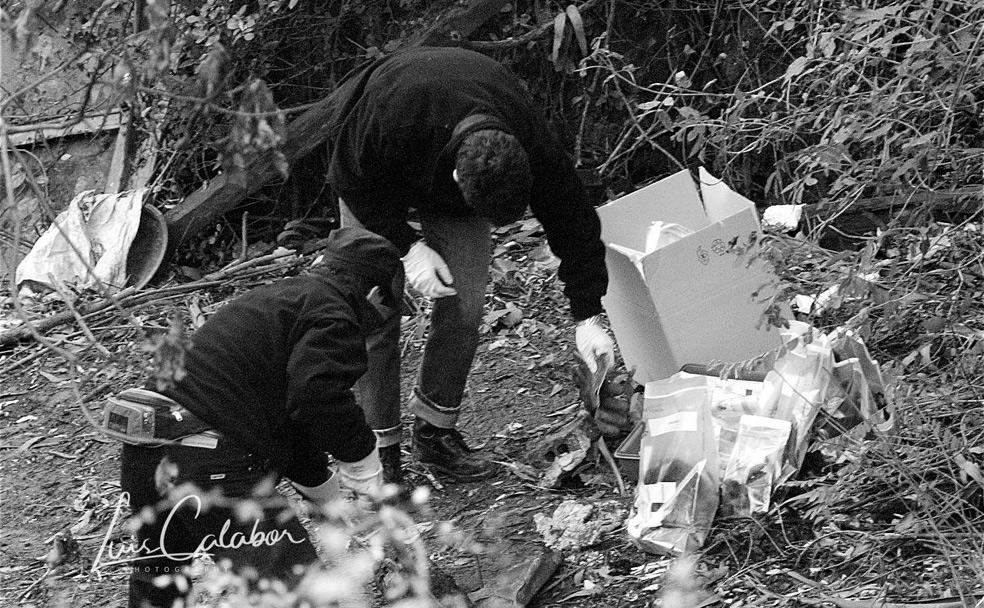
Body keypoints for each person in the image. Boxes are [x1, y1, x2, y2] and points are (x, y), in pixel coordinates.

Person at [326, 47, 615, 483]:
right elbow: (348, 179)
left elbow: (572, 219)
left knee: (466, 302)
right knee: (375, 312)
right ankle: (378, 453)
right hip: (374, 174)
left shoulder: (529, 141)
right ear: (459, 179)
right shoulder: (393, 116)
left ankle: (435, 432)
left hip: (453, 149)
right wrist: (407, 247)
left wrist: (587, 315)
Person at [116, 227, 402, 608]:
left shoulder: (280, 300)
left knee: (160, 581)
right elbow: (317, 398)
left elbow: (287, 416)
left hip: (146, 447)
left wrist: (325, 491)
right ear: (374, 295)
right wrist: (363, 461)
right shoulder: (336, 314)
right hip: (207, 458)